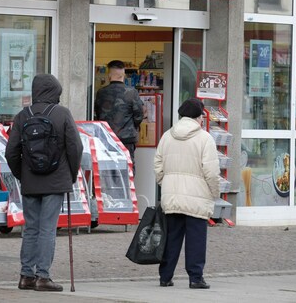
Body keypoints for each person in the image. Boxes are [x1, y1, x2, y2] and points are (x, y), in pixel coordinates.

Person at [5, 74, 83, 292]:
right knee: (47, 228)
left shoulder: (22, 115)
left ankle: (26, 276)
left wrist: (21, 174)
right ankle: (43, 277)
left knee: (31, 228)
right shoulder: (62, 114)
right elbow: (75, 147)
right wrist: (72, 173)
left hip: (31, 181)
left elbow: (11, 151)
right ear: (55, 92)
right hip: (56, 180)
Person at [153, 98, 220, 289]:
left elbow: (157, 164)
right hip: (197, 198)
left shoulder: (167, 136)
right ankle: (195, 278)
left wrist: (164, 183)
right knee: (196, 239)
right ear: (199, 117)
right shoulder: (205, 138)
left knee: (171, 237)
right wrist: (213, 192)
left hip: (172, 196)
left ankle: (165, 276)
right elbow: (211, 172)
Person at [94, 60, 144, 164]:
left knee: (108, 170)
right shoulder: (131, 92)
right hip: (127, 139)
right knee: (127, 169)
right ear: (123, 75)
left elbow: (97, 114)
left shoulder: (101, 93)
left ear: (109, 75)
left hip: (106, 138)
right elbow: (139, 116)